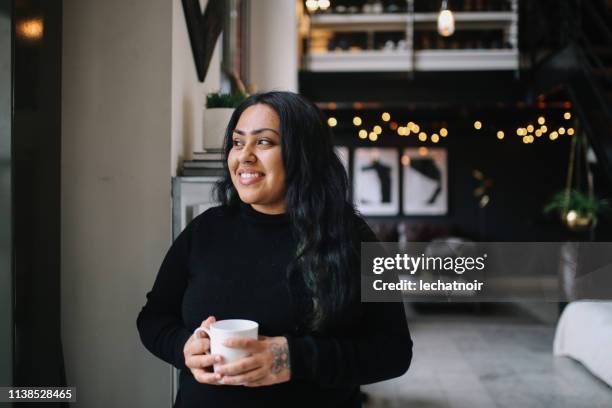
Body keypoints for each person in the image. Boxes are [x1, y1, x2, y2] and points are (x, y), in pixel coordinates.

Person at [136, 91, 412, 407]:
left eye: (264, 142)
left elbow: (395, 351)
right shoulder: (205, 230)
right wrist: (184, 347)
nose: (245, 156)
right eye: (238, 143)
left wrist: (291, 358)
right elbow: (153, 318)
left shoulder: (354, 238)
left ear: (303, 154)